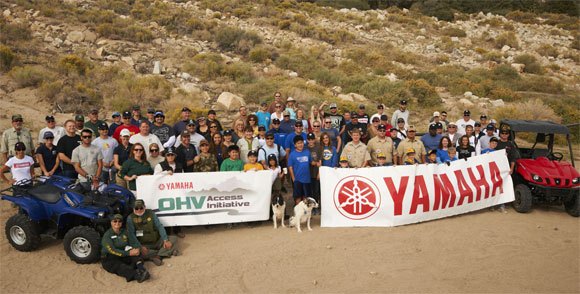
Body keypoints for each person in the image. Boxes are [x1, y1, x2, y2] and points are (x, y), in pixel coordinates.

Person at [126, 200, 179, 266]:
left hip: (157, 240)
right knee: (137, 252)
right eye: (136, 208)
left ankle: (158, 256)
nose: (139, 210)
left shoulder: (151, 213)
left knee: (174, 239)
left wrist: (166, 240)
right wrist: (140, 247)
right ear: (133, 209)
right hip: (144, 245)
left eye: (141, 208)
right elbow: (131, 235)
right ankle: (167, 252)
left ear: (144, 207)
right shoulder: (130, 218)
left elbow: (159, 226)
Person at [101, 214, 150, 283]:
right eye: (115, 221)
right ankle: (137, 276)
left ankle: (141, 269)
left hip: (122, 254)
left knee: (135, 254)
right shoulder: (107, 235)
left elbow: (133, 242)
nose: (117, 223)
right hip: (109, 258)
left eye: (119, 221)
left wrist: (138, 248)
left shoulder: (124, 232)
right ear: (111, 222)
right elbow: (112, 250)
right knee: (120, 266)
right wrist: (129, 253)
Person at [288, 136, 311, 205]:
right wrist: (293, 179)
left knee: (306, 197)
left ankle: (305, 213)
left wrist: (317, 163)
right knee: (298, 197)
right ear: (295, 145)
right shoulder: (292, 154)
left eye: (301, 143)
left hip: (307, 179)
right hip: (297, 180)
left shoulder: (307, 152)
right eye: (298, 143)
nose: (300, 145)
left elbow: (311, 162)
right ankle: (298, 212)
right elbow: (290, 167)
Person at [306, 132, 322, 207]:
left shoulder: (318, 147)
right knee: (310, 191)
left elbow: (320, 161)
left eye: (312, 139)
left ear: (314, 139)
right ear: (307, 140)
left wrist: (319, 173)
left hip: (316, 173)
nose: (311, 141)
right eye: (309, 139)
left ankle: (317, 206)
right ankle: (311, 206)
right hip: (308, 173)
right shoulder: (305, 148)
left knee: (316, 191)